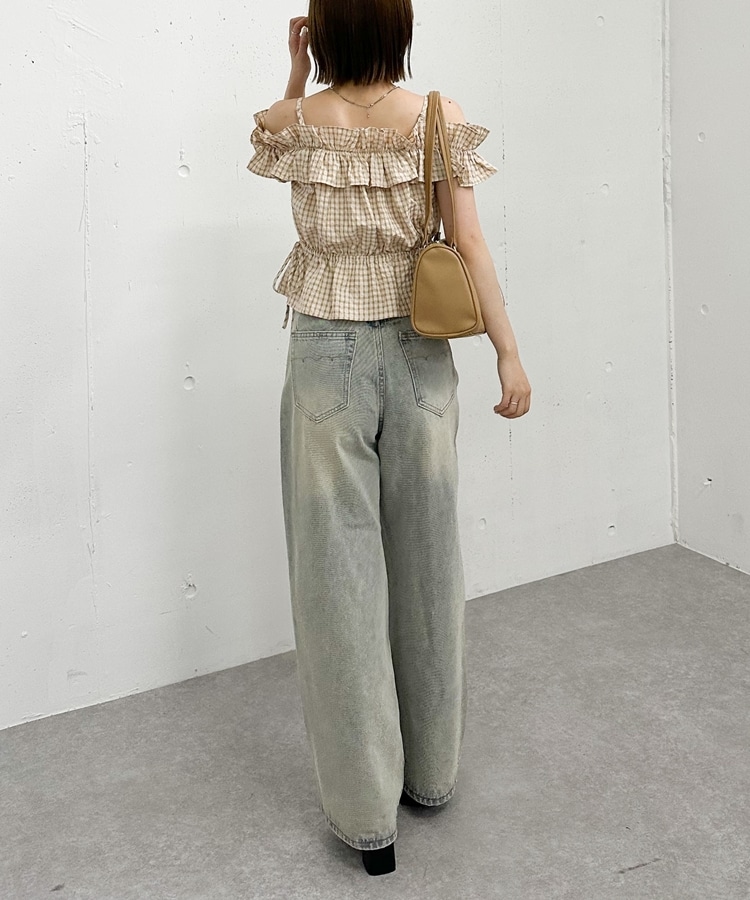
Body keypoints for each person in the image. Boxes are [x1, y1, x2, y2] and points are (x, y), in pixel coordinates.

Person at [246, 0, 531, 877]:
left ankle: (368, 817)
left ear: (324, 31)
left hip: (324, 358)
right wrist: (508, 353)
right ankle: (432, 777)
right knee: (429, 565)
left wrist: (297, 70)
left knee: (336, 583)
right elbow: (471, 242)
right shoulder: (435, 117)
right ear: (399, 29)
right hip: (421, 357)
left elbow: (272, 128)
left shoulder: (298, 121)